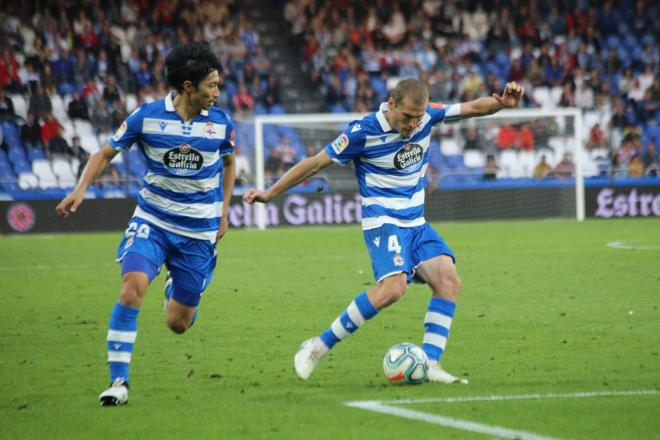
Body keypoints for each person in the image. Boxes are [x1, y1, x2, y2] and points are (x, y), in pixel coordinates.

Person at [243, 78, 525, 383]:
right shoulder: (362, 132)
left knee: (448, 279)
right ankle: (317, 346)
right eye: (407, 117)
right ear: (391, 104)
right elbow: (315, 163)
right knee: (393, 288)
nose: (413, 124)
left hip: (416, 222)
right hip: (383, 220)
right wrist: (270, 193)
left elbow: (471, 107)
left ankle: (430, 363)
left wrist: (501, 103)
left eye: (418, 118)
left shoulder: (427, 115)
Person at [55, 43, 236, 406]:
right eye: (211, 85)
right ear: (188, 86)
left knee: (178, 323)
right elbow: (105, 153)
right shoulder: (146, 117)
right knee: (132, 287)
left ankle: (175, 286)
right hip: (152, 220)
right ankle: (118, 382)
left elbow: (229, 164)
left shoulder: (221, 124)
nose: (217, 93)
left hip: (197, 231)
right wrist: (80, 189)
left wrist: (224, 210)